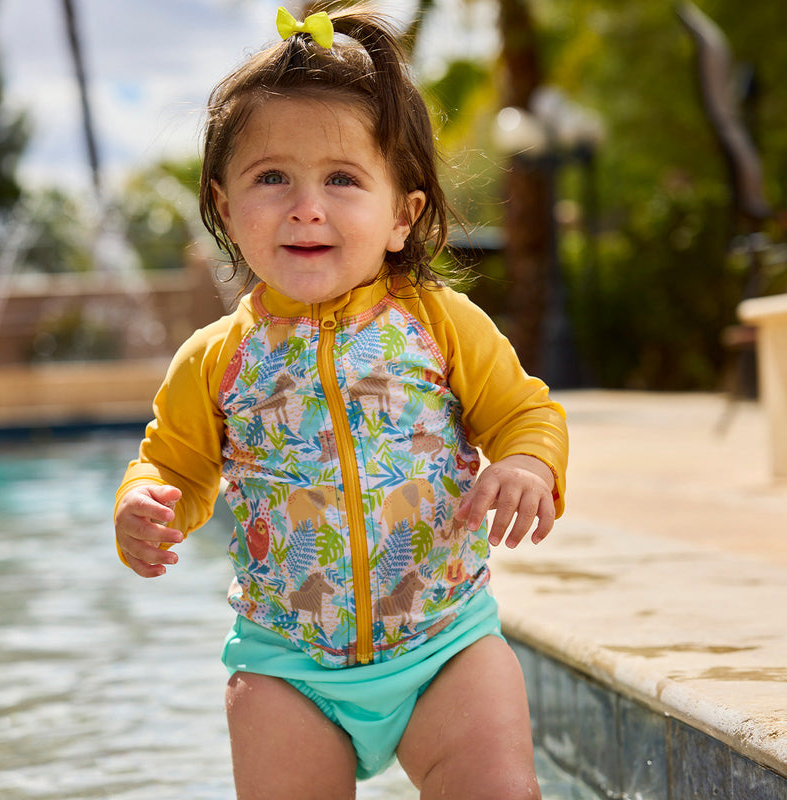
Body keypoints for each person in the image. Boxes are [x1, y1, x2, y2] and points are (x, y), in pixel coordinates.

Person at [114, 6, 568, 799]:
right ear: (225, 207)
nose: (307, 206)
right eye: (271, 177)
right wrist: (146, 505)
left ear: (403, 215)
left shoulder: (437, 323)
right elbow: (173, 465)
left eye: (343, 179)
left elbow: (524, 412)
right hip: (287, 666)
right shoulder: (217, 360)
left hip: (445, 646)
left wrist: (528, 463)